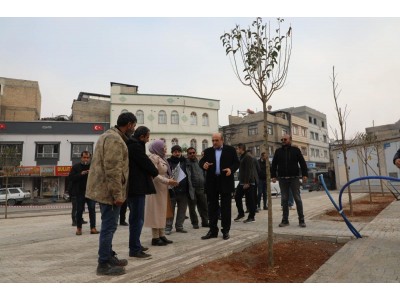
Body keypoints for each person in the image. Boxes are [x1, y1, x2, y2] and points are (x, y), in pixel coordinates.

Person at [86, 112, 137, 276]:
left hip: (104, 189)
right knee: (109, 227)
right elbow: (113, 170)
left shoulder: (108, 135)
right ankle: (103, 264)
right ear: (129, 124)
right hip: (109, 192)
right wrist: (118, 195)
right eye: (134, 126)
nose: (134, 129)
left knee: (110, 226)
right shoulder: (115, 139)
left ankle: (108, 256)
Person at [126, 126, 159, 259]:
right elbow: (145, 163)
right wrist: (154, 171)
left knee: (136, 218)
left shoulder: (134, 144)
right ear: (142, 137)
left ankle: (136, 245)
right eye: (147, 136)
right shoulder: (135, 146)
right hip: (136, 188)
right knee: (137, 219)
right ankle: (134, 249)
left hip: (136, 187)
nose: (148, 139)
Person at [199, 133, 240, 240]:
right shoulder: (208, 151)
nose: (214, 142)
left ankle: (225, 230)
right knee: (212, 207)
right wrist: (204, 164)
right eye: (213, 140)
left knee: (226, 207)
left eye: (216, 140)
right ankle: (213, 231)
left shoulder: (230, 150)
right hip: (212, 182)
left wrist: (231, 169)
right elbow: (201, 161)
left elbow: (236, 163)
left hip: (225, 181)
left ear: (222, 140)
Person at [144, 140, 178, 246]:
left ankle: (162, 235)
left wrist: (171, 179)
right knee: (156, 212)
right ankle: (155, 238)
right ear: (158, 147)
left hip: (163, 189)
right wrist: (168, 181)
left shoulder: (162, 158)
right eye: (163, 147)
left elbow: (165, 172)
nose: (165, 149)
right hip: (155, 189)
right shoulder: (153, 157)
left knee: (162, 212)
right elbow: (154, 174)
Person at [271, 134, 308, 228]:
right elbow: (274, 164)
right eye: (282, 139)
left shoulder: (296, 150)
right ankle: (285, 220)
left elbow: (302, 163)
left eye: (285, 139)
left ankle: (301, 220)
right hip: (282, 179)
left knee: (297, 199)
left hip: (294, 178)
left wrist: (304, 174)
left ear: (290, 140)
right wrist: (273, 176)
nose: (283, 140)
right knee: (284, 200)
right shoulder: (278, 151)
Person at [68, 150, 99, 236]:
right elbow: (71, 178)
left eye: (87, 157)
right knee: (79, 210)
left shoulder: (93, 167)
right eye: (84, 157)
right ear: (81, 158)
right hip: (80, 192)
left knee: (92, 209)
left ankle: (93, 228)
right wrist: (81, 174)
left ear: (90, 158)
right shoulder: (76, 167)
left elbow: (98, 178)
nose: (86, 159)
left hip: (90, 192)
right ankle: (79, 228)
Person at [166, 145, 189, 234]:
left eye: (179, 151)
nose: (177, 153)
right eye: (175, 152)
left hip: (184, 190)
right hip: (172, 190)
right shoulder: (168, 162)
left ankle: (179, 226)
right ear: (172, 153)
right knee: (170, 210)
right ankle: (168, 227)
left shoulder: (185, 161)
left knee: (182, 210)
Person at [185, 147, 209, 229]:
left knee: (204, 206)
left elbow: (204, 173)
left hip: (201, 187)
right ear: (187, 154)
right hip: (191, 189)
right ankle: (195, 223)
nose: (192, 154)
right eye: (190, 153)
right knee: (192, 208)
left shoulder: (199, 162)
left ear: (195, 153)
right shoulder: (186, 163)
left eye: (193, 152)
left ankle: (205, 222)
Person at [234, 144, 257, 223]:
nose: (237, 151)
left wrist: (247, 182)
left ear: (241, 149)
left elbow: (249, 170)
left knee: (250, 199)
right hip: (242, 181)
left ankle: (252, 216)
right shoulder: (243, 156)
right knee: (237, 197)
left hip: (249, 182)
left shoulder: (248, 156)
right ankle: (241, 214)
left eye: (237, 149)